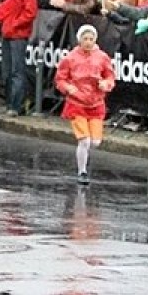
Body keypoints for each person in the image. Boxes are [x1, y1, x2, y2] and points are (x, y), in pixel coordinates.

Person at [53, 25, 115, 185]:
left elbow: (110, 75)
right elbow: (60, 79)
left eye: (91, 39)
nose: (88, 42)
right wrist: (68, 88)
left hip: (96, 103)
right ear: (79, 40)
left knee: (95, 142)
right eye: (85, 39)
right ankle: (82, 172)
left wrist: (106, 84)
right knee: (84, 140)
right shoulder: (70, 58)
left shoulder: (102, 57)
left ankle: (85, 157)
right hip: (77, 103)